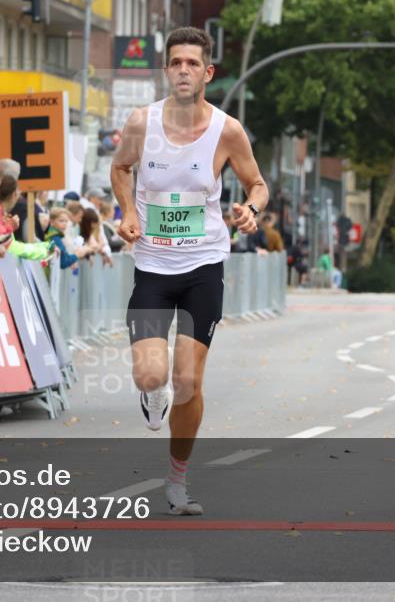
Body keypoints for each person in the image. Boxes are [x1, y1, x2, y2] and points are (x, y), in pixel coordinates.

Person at [111, 26, 268, 515]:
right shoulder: (142, 123)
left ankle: (177, 480)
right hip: (154, 267)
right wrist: (128, 212)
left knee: (189, 382)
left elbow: (257, 184)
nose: (183, 70)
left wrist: (251, 211)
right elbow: (120, 169)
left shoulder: (227, 130)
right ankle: (151, 395)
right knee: (149, 376)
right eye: (175, 62)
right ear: (166, 70)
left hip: (204, 265)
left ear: (208, 72)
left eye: (192, 63)